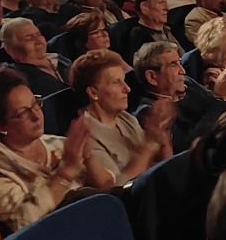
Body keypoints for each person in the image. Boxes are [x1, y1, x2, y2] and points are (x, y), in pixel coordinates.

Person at [0, 70, 106, 232]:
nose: (36, 115)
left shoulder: (57, 143)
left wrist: (87, 155)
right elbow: (21, 224)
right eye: (23, 113)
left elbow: (108, 186)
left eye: (35, 104)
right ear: (1, 126)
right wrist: (65, 172)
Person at [71, 49, 175, 183]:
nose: (127, 89)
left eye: (124, 81)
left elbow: (160, 165)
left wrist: (162, 135)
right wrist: (149, 144)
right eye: (116, 82)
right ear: (93, 92)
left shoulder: (125, 118)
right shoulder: (85, 135)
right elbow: (118, 188)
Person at [132, 39, 222, 154]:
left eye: (179, 62)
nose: (183, 71)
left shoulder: (187, 83)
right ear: (152, 77)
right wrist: (221, 98)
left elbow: (217, 105)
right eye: (173, 65)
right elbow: (186, 147)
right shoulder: (150, 112)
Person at [0, 17, 67, 98]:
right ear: (11, 49)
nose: (38, 40)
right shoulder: (18, 77)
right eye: (29, 37)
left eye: (39, 34)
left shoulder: (61, 59)